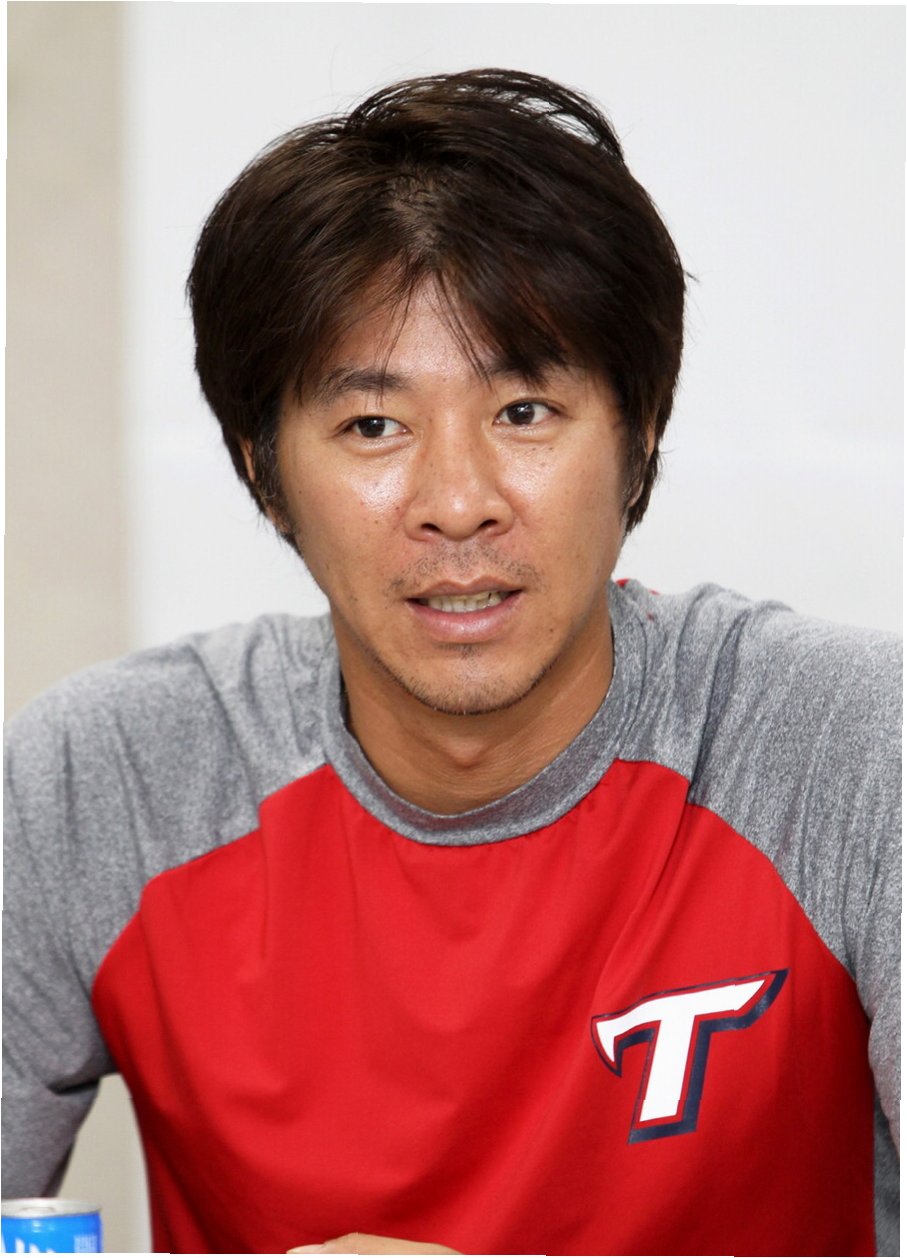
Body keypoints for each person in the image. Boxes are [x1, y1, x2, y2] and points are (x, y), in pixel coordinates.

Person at [3, 68, 899, 1257]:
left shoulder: (850, 750)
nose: (458, 500)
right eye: (372, 425)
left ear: (639, 435)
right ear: (263, 471)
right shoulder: (103, 783)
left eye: (524, 410)